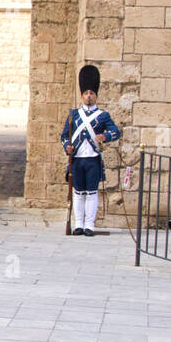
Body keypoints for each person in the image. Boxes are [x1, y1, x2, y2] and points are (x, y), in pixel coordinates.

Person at [61, 64, 121, 237]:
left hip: (93, 159)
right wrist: (67, 146)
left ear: (96, 96)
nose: (89, 96)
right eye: (86, 93)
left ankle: (89, 225)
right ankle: (78, 224)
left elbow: (115, 131)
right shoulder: (73, 115)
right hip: (78, 159)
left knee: (92, 192)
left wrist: (105, 136)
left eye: (92, 93)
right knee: (78, 193)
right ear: (82, 96)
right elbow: (64, 136)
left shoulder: (103, 116)